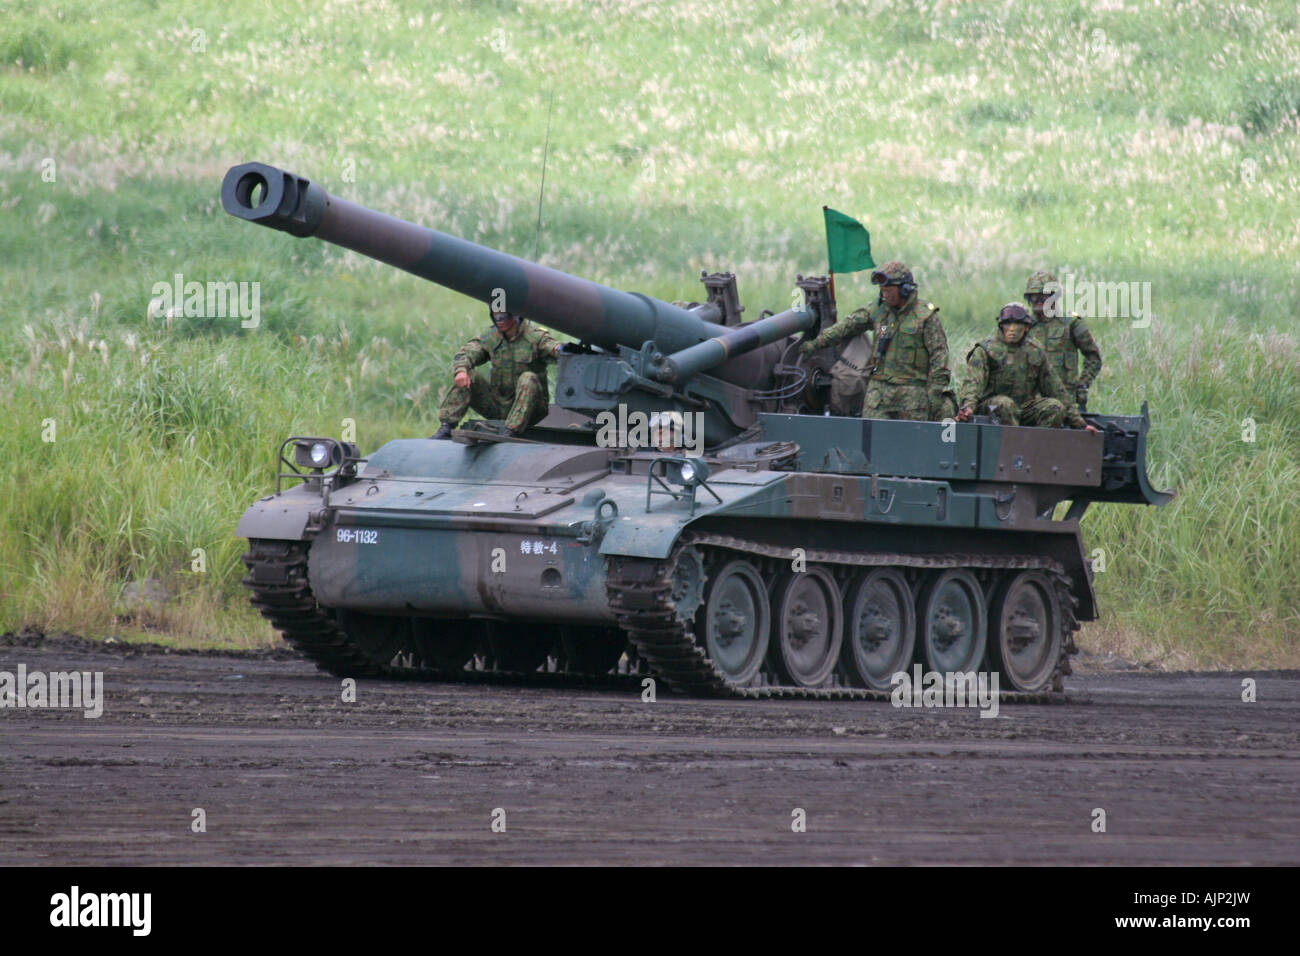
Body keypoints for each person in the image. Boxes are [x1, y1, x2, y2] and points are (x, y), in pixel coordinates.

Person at [799, 260, 955, 420]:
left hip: (913, 390)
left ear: (905, 289)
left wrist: (935, 392)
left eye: (889, 290)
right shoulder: (879, 310)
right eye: (882, 290)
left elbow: (939, 355)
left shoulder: (925, 316)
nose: (884, 294)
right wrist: (817, 343)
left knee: (910, 438)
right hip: (879, 390)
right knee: (871, 436)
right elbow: (848, 325)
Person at [957, 303, 1098, 432]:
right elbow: (972, 384)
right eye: (1007, 324)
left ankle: (1037, 452)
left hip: (1024, 408)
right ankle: (1011, 450)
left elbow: (1057, 390)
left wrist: (1080, 424)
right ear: (1000, 326)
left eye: (1017, 325)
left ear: (1026, 328)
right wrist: (967, 408)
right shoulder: (986, 350)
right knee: (1005, 404)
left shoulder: (1035, 352)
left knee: (1054, 407)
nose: (1012, 329)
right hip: (990, 410)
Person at [431, 310, 563, 439]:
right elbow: (469, 351)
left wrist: (560, 349)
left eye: (504, 317)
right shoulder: (491, 336)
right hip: (499, 406)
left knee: (528, 378)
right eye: (496, 317)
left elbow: (554, 348)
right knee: (469, 375)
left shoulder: (535, 337)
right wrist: (461, 370)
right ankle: (447, 427)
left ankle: (512, 430)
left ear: (516, 315)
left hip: (531, 409)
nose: (499, 321)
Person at [1024, 270, 1103, 411]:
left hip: (1065, 399)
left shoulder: (1071, 323)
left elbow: (1093, 356)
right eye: (1034, 297)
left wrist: (1083, 384)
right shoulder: (1023, 326)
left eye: (1043, 297)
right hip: (1031, 400)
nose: (1038, 302)